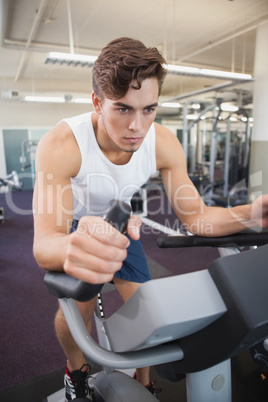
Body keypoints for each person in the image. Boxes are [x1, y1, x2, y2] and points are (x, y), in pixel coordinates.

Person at [33, 37, 268, 401]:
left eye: (149, 110)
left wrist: (249, 215)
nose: (137, 127)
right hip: (74, 227)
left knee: (151, 310)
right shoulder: (63, 144)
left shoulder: (162, 142)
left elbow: (197, 218)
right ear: (97, 102)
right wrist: (69, 246)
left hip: (122, 223)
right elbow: (45, 241)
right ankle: (76, 372)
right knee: (75, 312)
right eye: (123, 109)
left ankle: (143, 379)